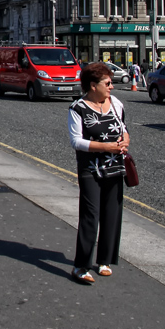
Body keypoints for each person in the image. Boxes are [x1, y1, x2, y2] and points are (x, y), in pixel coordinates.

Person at [68, 62, 130, 284]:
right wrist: (106, 147)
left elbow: (124, 130)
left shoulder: (116, 104)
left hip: (114, 167)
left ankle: (104, 260)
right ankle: (81, 265)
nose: (111, 87)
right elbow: (76, 142)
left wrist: (125, 141)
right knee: (90, 216)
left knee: (112, 214)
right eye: (108, 83)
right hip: (90, 169)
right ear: (93, 86)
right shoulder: (78, 109)